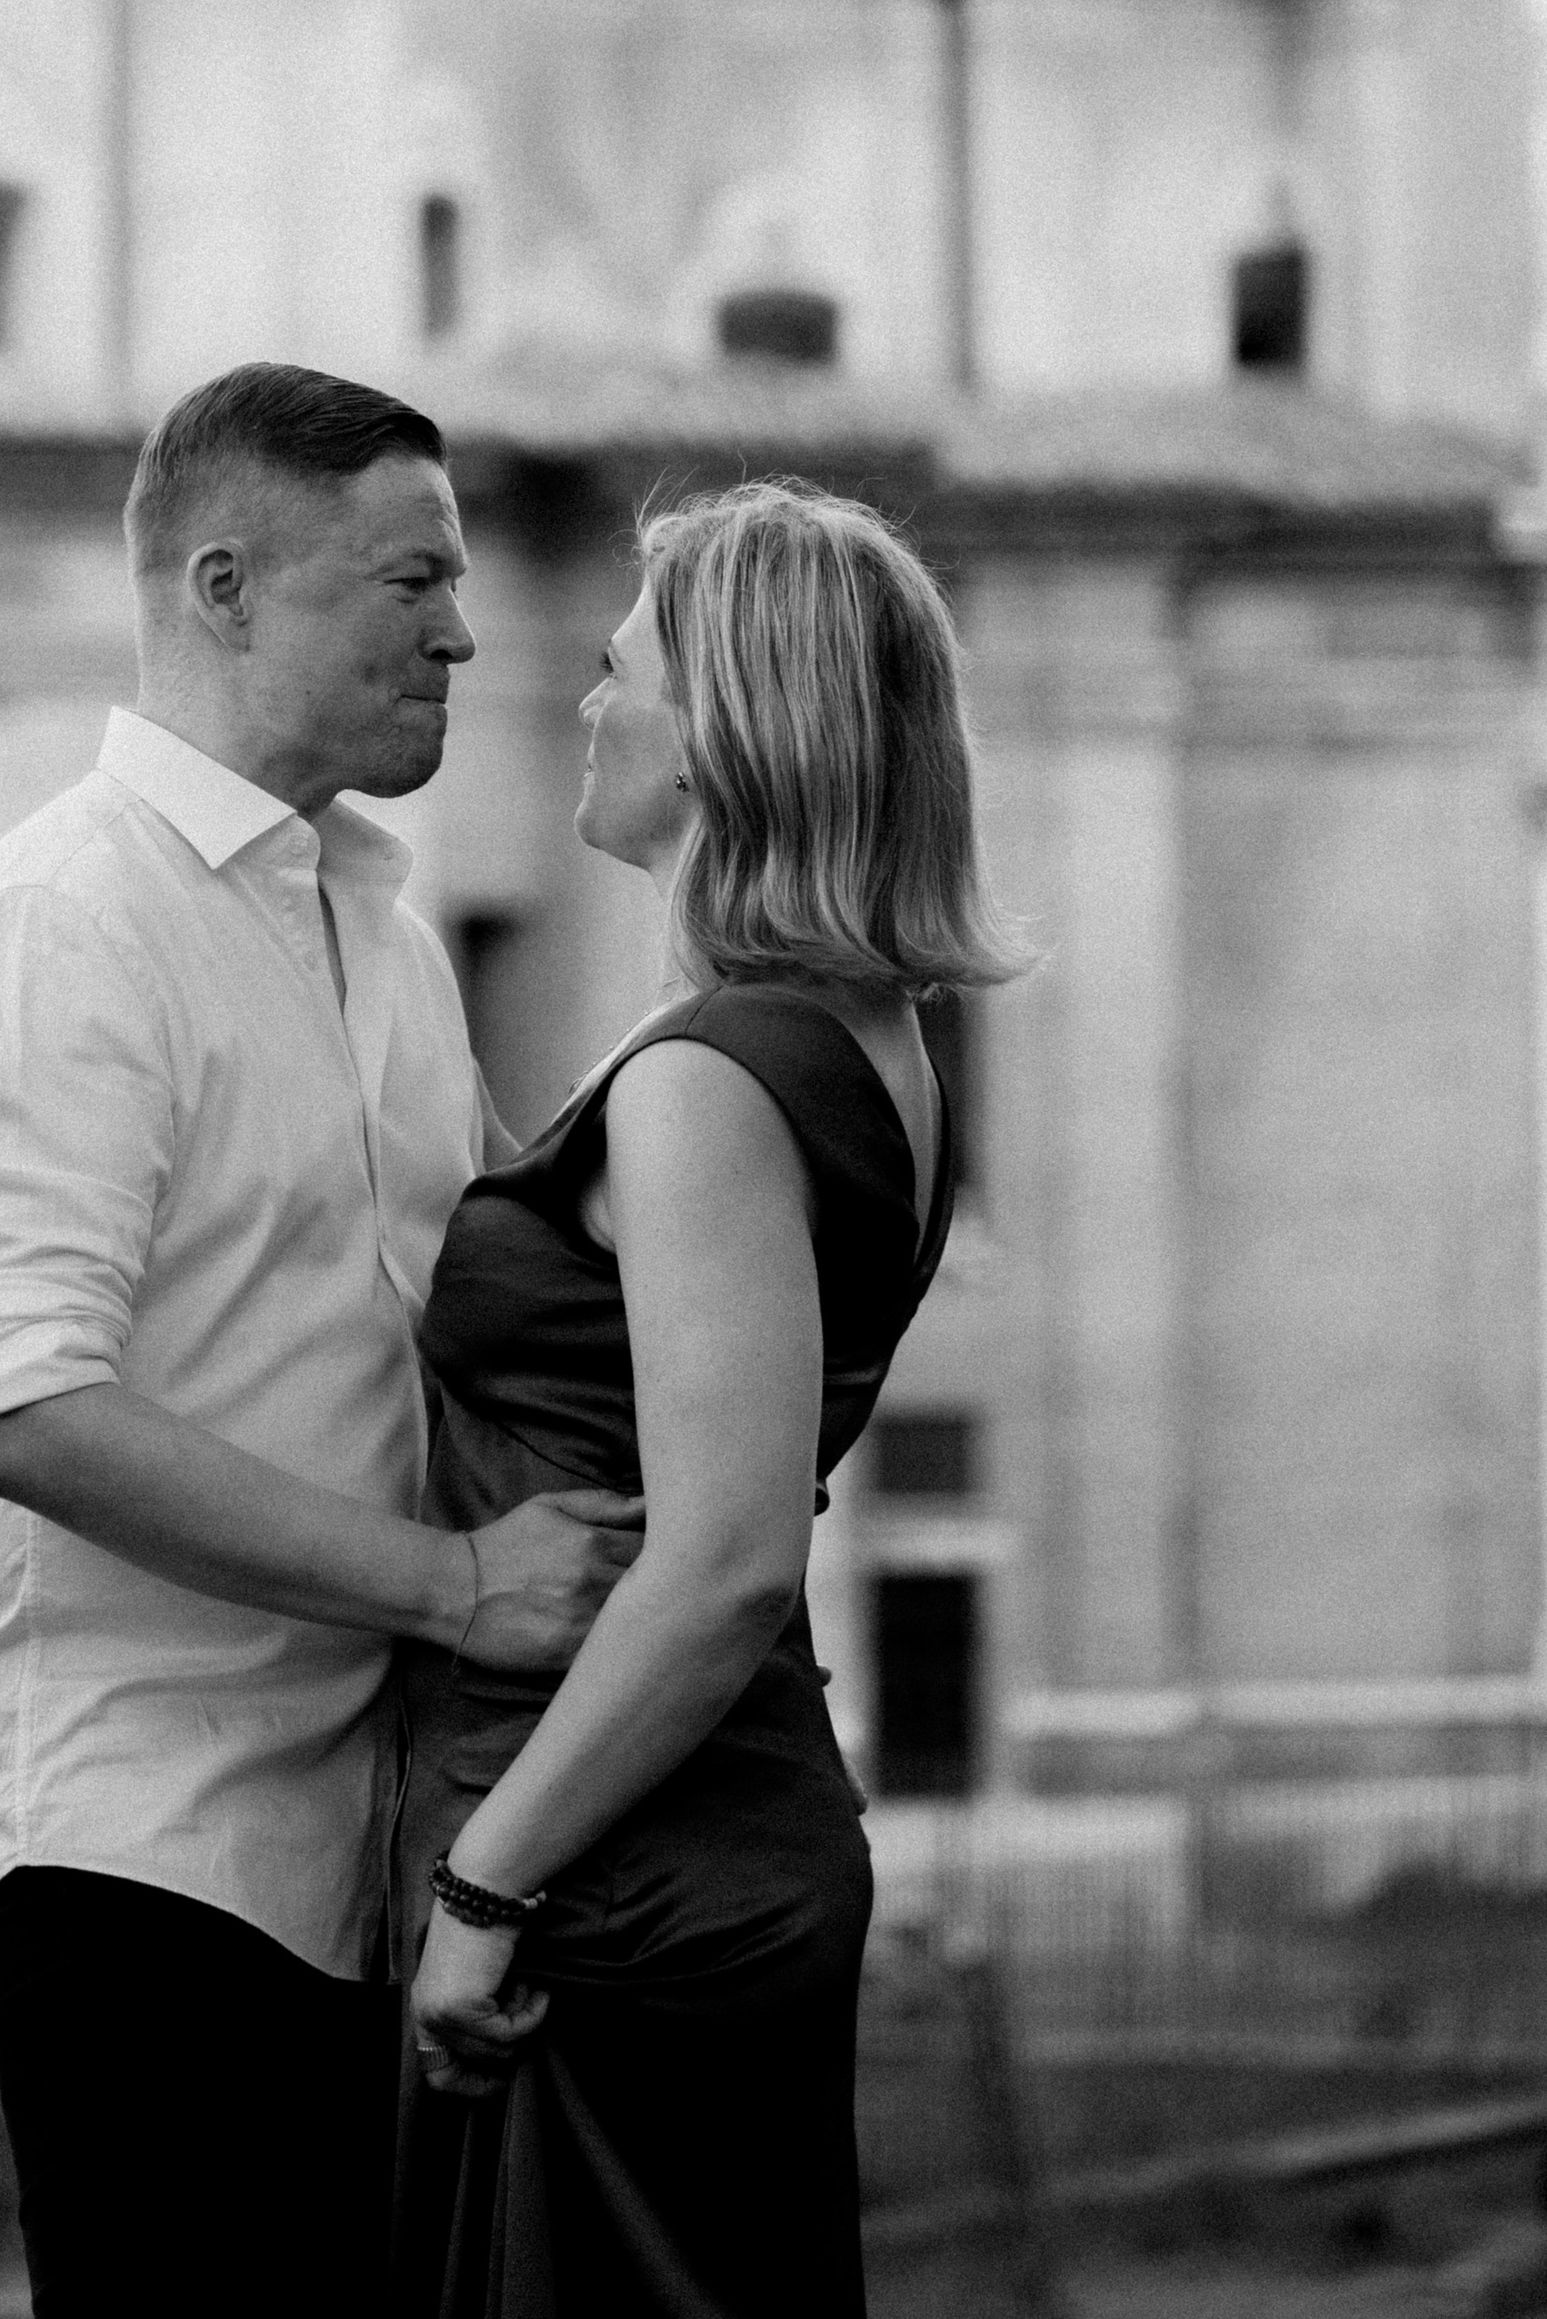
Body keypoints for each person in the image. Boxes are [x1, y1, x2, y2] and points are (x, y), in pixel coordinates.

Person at [0, 363, 642, 2319]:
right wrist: (458, 1586)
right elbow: (24, 1408)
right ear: (223, 588)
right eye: (409, 580)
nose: (461, 633)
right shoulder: (57, 924)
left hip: (365, 1859)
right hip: (141, 1866)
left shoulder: (382, 934)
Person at [393, 476, 1024, 2319]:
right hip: (692, 1832)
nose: (588, 703)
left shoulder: (717, 1076)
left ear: (724, 732)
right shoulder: (872, 1041)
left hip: (619, 1866)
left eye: (624, 672)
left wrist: (485, 1890)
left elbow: (730, 1556)